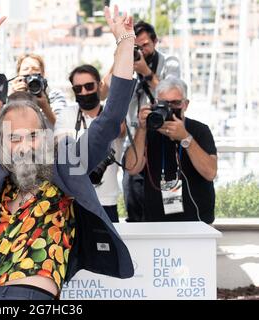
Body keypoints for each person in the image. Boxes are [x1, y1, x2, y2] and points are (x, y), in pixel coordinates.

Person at [0, 6, 136, 300]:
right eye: (14, 138)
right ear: (0, 143)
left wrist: (125, 44)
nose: (24, 145)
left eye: (33, 135)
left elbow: (110, 119)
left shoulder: (66, 163)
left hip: (35, 293)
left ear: (47, 138)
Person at [124, 77, 217, 224]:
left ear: (185, 105)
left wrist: (185, 138)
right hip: (156, 221)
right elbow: (132, 168)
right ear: (154, 104)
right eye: (164, 104)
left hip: (196, 220)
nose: (169, 109)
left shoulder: (199, 130)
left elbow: (210, 172)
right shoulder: (148, 130)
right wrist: (141, 129)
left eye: (175, 103)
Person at [123, 20, 181, 222]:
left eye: (145, 45)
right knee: (136, 210)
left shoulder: (170, 63)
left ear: (155, 42)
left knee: (172, 211)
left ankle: (171, 248)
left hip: (166, 144)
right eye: (136, 47)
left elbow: (173, 94)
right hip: (138, 142)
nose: (142, 51)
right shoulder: (125, 67)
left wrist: (147, 73)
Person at [55, 64, 126, 222]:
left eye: (89, 86)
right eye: (78, 89)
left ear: (99, 85)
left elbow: (120, 129)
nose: (84, 92)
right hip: (75, 201)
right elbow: (60, 145)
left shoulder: (111, 117)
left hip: (107, 201)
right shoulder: (67, 114)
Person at [10, 53, 67, 126]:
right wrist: (14, 99)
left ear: (43, 74)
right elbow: (3, 127)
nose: (30, 72)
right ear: (18, 75)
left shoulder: (55, 95)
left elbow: (63, 127)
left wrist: (45, 107)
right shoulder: (11, 97)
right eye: (25, 69)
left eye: (35, 69)